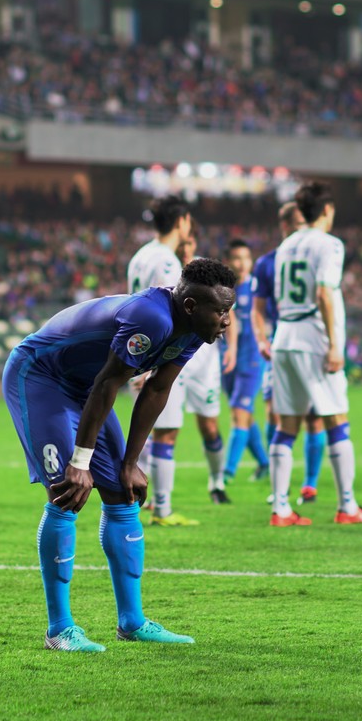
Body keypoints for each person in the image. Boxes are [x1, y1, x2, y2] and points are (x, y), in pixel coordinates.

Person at [3, 258, 236, 652]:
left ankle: (132, 622)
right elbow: (109, 383)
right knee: (67, 493)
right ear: (192, 305)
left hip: (87, 386)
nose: (227, 321)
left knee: (123, 494)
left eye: (229, 310)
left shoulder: (196, 329)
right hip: (41, 376)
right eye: (222, 311)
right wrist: (80, 463)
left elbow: (157, 390)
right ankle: (59, 630)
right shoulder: (152, 319)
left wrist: (130, 464)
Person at [268, 182, 362, 527]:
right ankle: (348, 506)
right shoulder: (329, 244)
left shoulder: (286, 244)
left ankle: (281, 509)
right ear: (328, 210)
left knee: (287, 425)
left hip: (284, 336)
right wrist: (334, 344)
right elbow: (324, 293)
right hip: (313, 337)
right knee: (336, 419)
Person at [126, 196, 225, 523]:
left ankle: (156, 505)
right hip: (159, 355)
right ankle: (162, 509)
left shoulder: (140, 256)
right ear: (181, 221)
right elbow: (166, 316)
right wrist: (155, 364)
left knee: (156, 433)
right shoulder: (166, 261)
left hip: (138, 352)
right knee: (166, 433)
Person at [251, 202, 326, 504]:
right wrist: (261, 339)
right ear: (284, 225)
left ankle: (310, 484)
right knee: (274, 412)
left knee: (315, 416)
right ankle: (278, 486)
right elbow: (257, 309)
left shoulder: (317, 254)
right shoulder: (267, 262)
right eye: (296, 223)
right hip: (281, 341)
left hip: (310, 340)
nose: (301, 229)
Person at [220, 239, 269, 486]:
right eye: (237, 258)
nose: (242, 263)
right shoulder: (222, 291)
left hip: (252, 359)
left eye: (246, 258)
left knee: (239, 413)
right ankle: (264, 463)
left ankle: (226, 473)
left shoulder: (258, 288)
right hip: (228, 358)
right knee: (244, 415)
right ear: (228, 262)